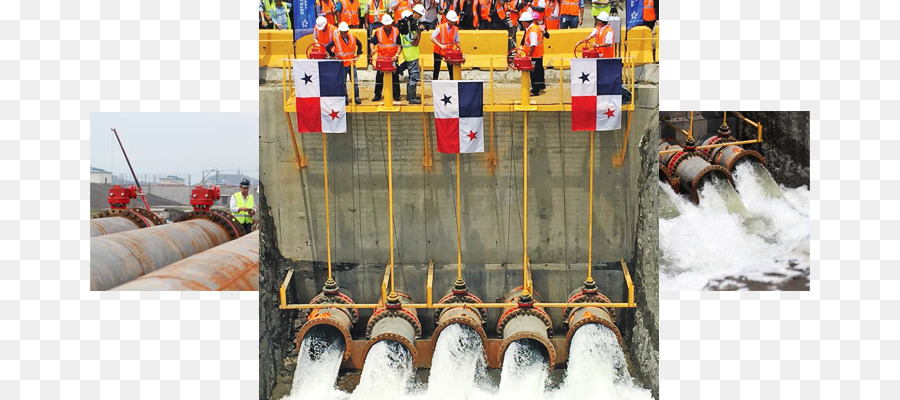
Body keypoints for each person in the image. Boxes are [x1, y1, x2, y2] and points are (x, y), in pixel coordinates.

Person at [326, 22, 364, 104]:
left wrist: (359, 52)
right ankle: (345, 98)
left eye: (345, 32)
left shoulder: (352, 36)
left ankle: (356, 97)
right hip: (342, 64)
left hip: (351, 63)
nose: (343, 34)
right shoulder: (336, 39)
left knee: (355, 82)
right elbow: (328, 47)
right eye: (342, 33)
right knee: (342, 83)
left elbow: (359, 44)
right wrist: (333, 55)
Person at [370, 14, 402, 102]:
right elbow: (372, 42)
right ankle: (377, 95)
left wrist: (397, 55)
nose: (387, 26)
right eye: (386, 24)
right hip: (382, 58)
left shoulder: (396, 31)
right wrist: (372, 49)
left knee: (395, 77)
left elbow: (399, 45)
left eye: (389, 24)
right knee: (379, 78)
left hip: (393, 58)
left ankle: (396, 95)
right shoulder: (378, 31)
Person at [398, 9, 422, 104]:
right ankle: (412, 98)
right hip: (411, 55)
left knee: (412, 75)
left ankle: (410, 96)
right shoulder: (407, 31)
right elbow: (415, 43)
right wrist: (418, 32)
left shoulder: (404, 29)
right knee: (414, 76)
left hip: (409, 55)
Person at [519, 12, 544, 96]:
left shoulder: (532, 31)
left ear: (526, 22)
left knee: (534, 73)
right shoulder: (533, 28)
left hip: (534, 55)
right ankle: (540, 86)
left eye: (522, 22)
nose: (522, 23)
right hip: (538, 54)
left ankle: (535, 90)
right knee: (538, 71)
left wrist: (529, 56)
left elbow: (533, 44)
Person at [431, 10, 460, 80]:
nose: (453, 23)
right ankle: (435, 83)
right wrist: (440, 45)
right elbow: (432, 37)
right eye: (452, 21)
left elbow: (457, 41)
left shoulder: (455, 29)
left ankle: (452, 82)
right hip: (438, 51)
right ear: (448, 20)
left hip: (449, 52)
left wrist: (457, 50)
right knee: (436, 68)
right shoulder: (440, 27)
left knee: (451, 69)